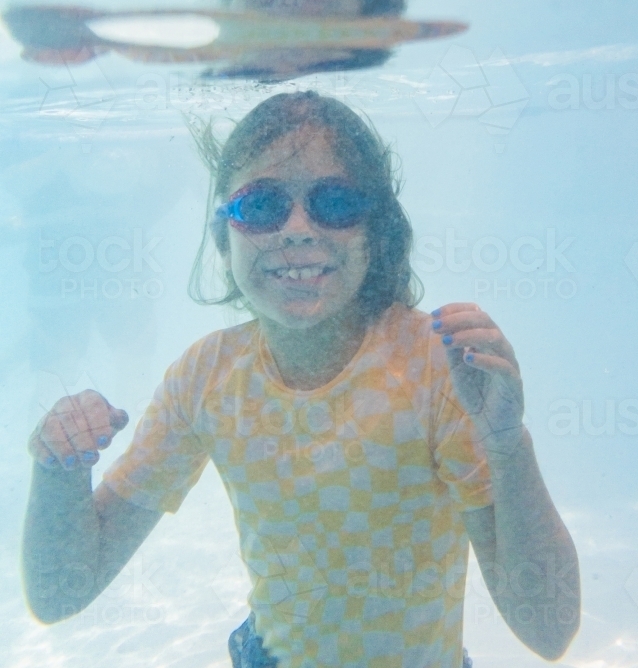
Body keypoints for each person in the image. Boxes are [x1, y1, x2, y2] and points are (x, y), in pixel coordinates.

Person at [22, 91, 580, 667]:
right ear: (224, 237)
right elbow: (62, 592)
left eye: (334, 202)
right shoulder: (206, 377)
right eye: (261, 206)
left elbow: (549, 631)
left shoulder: (434, 369)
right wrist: (59, 469)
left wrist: (507, 444)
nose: (295, 229)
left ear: (377, 233)